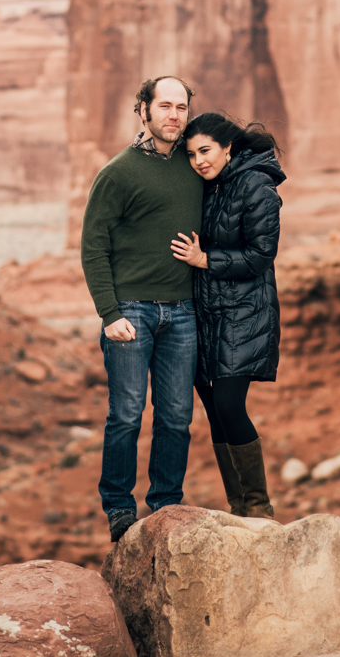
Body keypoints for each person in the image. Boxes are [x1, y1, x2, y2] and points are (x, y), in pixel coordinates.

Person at [79, 74, 205, 542]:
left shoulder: (195, 165)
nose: (174, 116)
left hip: (183, 312)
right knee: (127, 415)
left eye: (181, 108)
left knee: (176, 416)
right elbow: (93, 246)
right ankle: (118, 507)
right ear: (144, 111)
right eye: (165, 106)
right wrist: (110, 315)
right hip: (131, 312)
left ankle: (166, 506)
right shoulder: (118, 172)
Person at [169, 111, 282, 519]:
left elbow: (259, 255)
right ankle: (239, 506)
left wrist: (204, 259)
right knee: (216, 410)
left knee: (231, 405)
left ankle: (259, 506)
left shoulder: (257, 186)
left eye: (206, 150)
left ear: (227, 146)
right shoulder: (208, 186)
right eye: (191, 154)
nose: (199, 161)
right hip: (207, 314)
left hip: (245, 313)